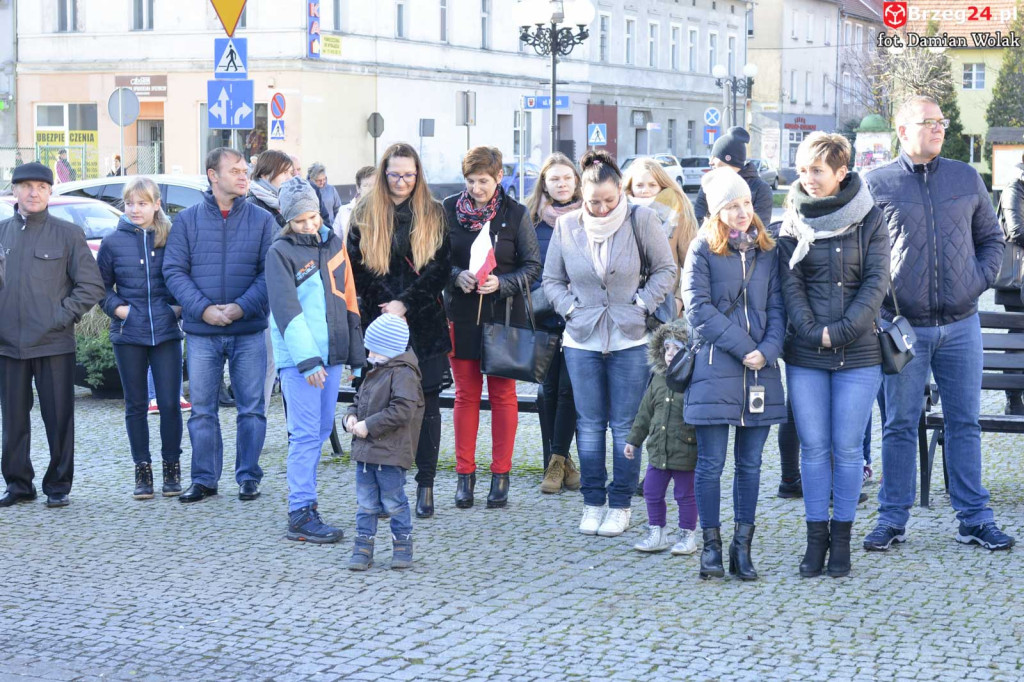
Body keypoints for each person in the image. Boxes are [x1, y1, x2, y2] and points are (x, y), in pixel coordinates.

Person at [862, 95, 1014, 552]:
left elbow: (992, 239)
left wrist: (976, 282)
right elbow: (864, 254)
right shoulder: (877, 183)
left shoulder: (965, 177)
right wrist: (882, 301)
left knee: (964, 422)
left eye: (941, 122)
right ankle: (893, 518)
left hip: (961, 324)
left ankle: (974, 517)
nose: (938, 128)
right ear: (902, 129)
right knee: (900, 424)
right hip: (903, 329)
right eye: (928, 122)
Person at [542, 150, 675, 538]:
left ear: (621, 191)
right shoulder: (567, 226)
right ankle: (592, 500)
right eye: (593, 201)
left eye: (609, 201)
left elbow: (666, 269)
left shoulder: (642, 219)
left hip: (629, 336)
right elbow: (551, 279)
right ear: (583, 195)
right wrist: (570, 310)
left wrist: (641, 304)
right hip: (581, 337)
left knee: (624, 425)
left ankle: (620, 503)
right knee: (588, 424)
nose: (601, 209)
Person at [776, 133, 889, 578]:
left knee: (846, 450)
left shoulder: (870, 217)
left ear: (842, 172)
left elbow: (878, 281)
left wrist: (840, 332)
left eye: (817, 171)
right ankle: (815, 538)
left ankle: (841, 540)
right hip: (806, 354)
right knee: (814, 449)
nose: (807, 179)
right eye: (802, 170)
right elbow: (790, 285)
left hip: (859, 353)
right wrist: (812, 332)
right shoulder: (791, 219)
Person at [682, 167, 786, 581]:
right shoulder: (702, 250)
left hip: (761, 372)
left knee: (751, 465)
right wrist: (747, 350)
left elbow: (779, 308)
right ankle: (711, 548)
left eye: (745, 203)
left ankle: (743, 548)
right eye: (731, 206)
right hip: (715, 370)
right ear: (717, 212)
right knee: (710, 464)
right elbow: (698, 310)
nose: (742, 212)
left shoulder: (767, 250)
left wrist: (768, 350)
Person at [163, 147, 276, 503]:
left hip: (248, 330)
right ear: (213, 175)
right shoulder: (187, 220)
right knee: (201, 411)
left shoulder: (262, 221)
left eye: (246, 170)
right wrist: (204, 310)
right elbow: (173, 271)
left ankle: (248, 477)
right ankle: (204, 479)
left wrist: (241, 308)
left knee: (252, 409)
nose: (244, 176)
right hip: (202, 333)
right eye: (236, 170)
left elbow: (270, 273)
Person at [347, 142, 451, 519]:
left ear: (418, 174)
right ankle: (383, 485)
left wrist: (405, 303)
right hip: (378, 323)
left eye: (409, 175)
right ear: (383, 172)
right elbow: (355, 267)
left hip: (423, 321)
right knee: (378, 404)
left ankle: (425, 484)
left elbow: (440, 268)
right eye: (394, 174)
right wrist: (387, 309)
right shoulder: (365, 211)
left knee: (427, 406)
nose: (402, 182)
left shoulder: (433, 212)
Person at [267, 177, 365, 543]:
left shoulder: (334, 243)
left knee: (322, 430)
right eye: (299, 220)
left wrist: (356, 356)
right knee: (306, 435)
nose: (309, 225)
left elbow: (349, 301)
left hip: (334, 355)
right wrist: (307, 362)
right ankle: (301, 510)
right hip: (301, 363)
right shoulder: (280, 253)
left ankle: (303, 503)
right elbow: (285, 311)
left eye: (312, 217)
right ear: (286, 219)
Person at [0, 162, 103, 508]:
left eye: (41, 187)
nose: (33, 192)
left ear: (50, 192)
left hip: (54, 342)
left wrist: (60, 317)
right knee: (13, 421)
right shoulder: (2, 232)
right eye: (26, 186)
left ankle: (58, 485)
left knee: (58, 418)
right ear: (14, 191)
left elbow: (90, 286)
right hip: (8, 345)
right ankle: (18, 485)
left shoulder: (67, 234)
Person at [443, 146, 541, 509]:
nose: (476, 188)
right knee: (466, 395)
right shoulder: (449, 209)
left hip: (504, 315)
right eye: (470, 181)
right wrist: (457, 277)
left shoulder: (515, 213)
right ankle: (464, 475)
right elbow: (437, 261)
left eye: (483, 181)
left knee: (502, 396)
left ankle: (501, 476)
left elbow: (532, 267)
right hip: (463, 313)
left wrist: (502, 283)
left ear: (499, 177)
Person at [97, 178, 186, 500]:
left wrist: (176, 309)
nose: (135, 209)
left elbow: (184, 276)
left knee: (169, 404)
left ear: (156, 204)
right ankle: (142, 471)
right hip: (128, 334)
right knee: (135, 406)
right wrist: (119, 309)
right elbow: (100, 287)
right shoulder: (112, 242)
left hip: (166, 333)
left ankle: (172, 468)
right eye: (130, 203)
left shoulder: (171, 237)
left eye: (142, 203)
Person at [344, 313, 424, 571]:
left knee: (394, 503)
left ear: (389, 350)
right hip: (366, 454)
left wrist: (369, 425)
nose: (369, 354)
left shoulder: (403, 374)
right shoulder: (377, 370)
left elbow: (402, 410)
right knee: (365, 504)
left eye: (374, 349)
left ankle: (403, 547)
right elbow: (359, 400)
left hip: (390, 454)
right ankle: (363, 548)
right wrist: (351, 416)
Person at [525, 152, 582, 493]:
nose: (561, 184)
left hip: (580, 316)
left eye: (567, 178)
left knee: (568, 389)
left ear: (576, 181)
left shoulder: (591, 216)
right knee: (547, 390)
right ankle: (558, 461)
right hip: (544, 314)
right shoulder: (531, 220)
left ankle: (557, 462)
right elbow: (525, 265)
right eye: (554, 179)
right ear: (544, 184)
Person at [625, 320, 699, 555]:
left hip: (685, 450)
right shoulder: (657, 378)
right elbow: (645, 412)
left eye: (676, 349)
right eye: (666, 348)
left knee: (685, 495)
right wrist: (633, 440)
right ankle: (657, 531)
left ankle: (688, 534)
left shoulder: (693, 380)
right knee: (652, 492)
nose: (670, 354)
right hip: (658, 450)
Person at [248, 149, 295, 412]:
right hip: (262, 293)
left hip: (283, 290)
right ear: (267, 174)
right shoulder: (254, 203)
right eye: (286, 172)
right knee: (265, 362)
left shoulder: (285, 202)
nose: (292, 177)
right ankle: (257, 422)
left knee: (274, 362)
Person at [623, 156, 699, 318]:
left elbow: (693, 265)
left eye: (652, 185)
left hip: (665, 304)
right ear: (630, 187)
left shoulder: (677, 214)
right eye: (639, 185)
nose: (645, 190)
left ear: (662, 186)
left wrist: (679, 300)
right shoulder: (618, 213)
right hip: (625, 305)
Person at [693, 127, 773, 228]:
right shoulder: (709, 185)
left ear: (728, 159)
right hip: (712, 242)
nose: (710, 162)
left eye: (715, 157)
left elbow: (759, 229)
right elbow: (698, 220)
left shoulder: (760, 189)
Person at [994, 154, 1024, 415]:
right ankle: (1013, 396)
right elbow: (1017, 231)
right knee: (1018, 334)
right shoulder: (1015, 186)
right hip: (1018, 281)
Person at [337, 165, 377, 241]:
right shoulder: (344, 211)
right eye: (366, 185)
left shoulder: (386, 211)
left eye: (375, 185)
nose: (371, 190)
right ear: (358, 188)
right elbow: (335, 241)